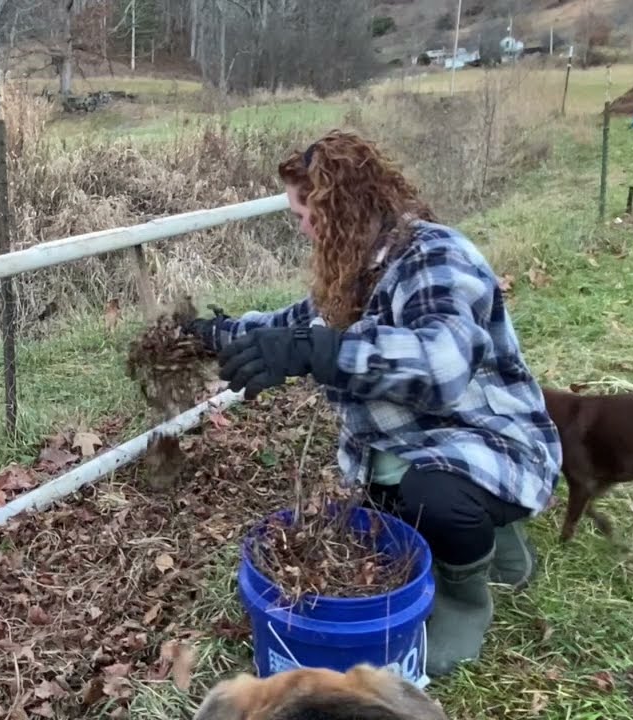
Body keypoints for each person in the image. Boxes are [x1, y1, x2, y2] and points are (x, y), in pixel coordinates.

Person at [183, 130, 562, 677]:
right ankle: (501, 550)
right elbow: (287, 327)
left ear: (336, 207)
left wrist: (320, 352)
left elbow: (443, 364)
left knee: (433, 496)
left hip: (491, 441)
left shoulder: (435, 256)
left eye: (304, 213)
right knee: (390, 516)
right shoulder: (352, 271)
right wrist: (212, 333)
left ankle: (462, 605)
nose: (303, 227)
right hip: (410, 446)